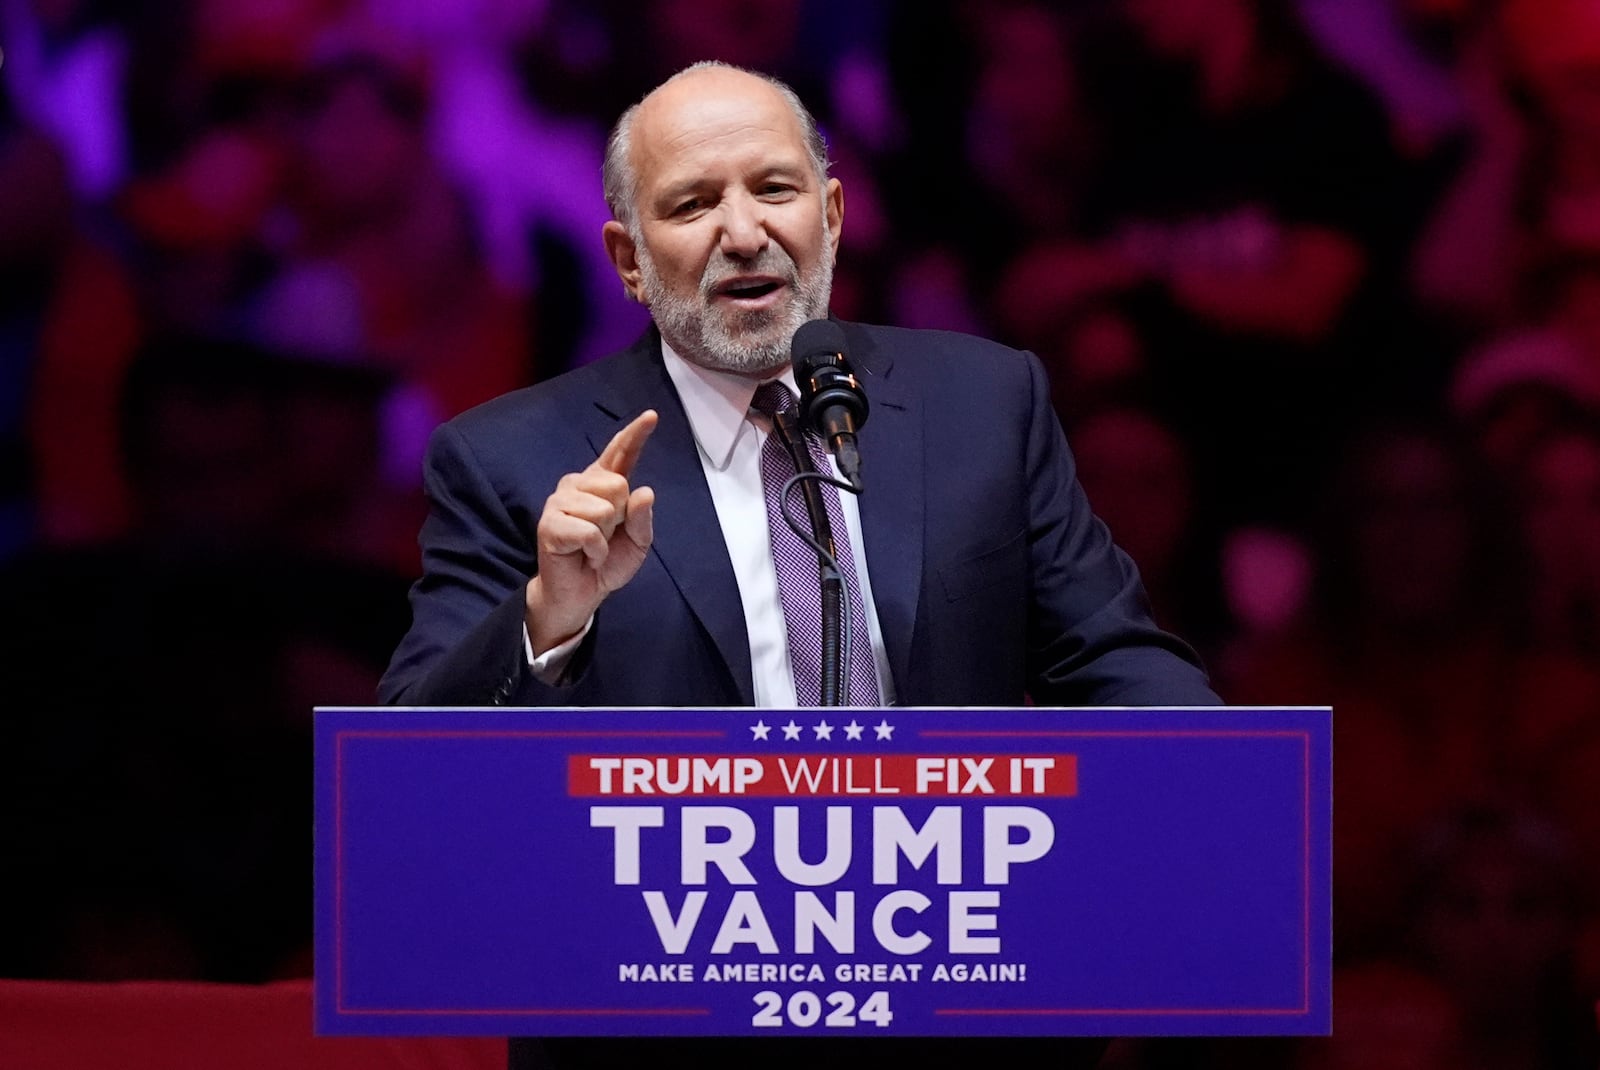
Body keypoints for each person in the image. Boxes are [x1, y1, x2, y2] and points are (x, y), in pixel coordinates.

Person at [380, 60, 1221, 1070]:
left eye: (773, 189)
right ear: (629, 258)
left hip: (960, 1004)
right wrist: (548, 617)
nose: (743, 231)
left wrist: (1217, 786)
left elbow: (1112, 658)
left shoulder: (983, 404)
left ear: (829, 212)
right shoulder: (512, 458)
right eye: (692, 203)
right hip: (663, 1027)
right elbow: (408, 774)